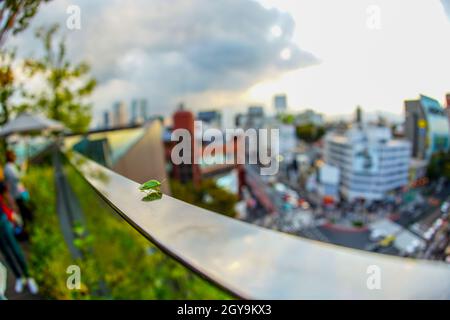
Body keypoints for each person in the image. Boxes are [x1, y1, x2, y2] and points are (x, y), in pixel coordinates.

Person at [0, 181, 38, 294]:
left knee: (15, 249)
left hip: (3, 221)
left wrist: (12, 214)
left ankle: (28, 276)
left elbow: (4, 198)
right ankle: (19, 277)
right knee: (7, 254)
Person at [4, 150, 33, 224]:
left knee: (26, 206)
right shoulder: (8, 167)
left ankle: (29, 223)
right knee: (24, 209)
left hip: (20, 191)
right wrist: (23, 169)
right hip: (17, 193)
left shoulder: (11, 166)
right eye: (14, 156)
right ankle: (29, 223)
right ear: (10, 157)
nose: (15, 158)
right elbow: (17, 178)